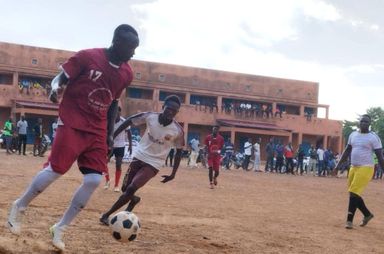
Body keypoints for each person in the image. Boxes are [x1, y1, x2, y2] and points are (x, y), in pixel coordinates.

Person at [6, 24, 139, 251]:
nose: (133, 53)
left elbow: (114, 102)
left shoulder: (127, 73)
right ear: (117, 42)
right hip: (72, 120)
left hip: (97, 128)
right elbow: (60, 78)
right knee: (56, 171)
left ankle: (60, 227)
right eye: (130, 48)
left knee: (94, 180)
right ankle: (19, 206)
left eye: (136, 48)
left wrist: (108, 134)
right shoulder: (87, 57)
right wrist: (54, 89)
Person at [99, 95, 184, 225]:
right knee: (125, 189)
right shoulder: (150, 117)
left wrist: (173, 174)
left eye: (174, 111)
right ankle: (134, 200)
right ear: (163, 107)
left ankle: (107, 215)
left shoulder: (177, 130)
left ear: (177, 113)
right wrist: (112, 137)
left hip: (154, 163)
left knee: (131, 188)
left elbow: (179, 152)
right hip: (139, 156)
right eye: (169, 109)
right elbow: (128, 121)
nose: (171, 112)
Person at [333, 114, 384, 229]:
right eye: (362, 121)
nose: (364, 123)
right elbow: (346, 151)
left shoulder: (373, 138)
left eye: (366, 122)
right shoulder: (353, 135)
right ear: (359, 123)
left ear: (369, 124)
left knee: (354, 192)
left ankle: (349, 221)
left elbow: (380, 157)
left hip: (366, 168)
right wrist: (338, 165)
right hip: (353, 167)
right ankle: (367, 215)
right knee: (353, 193)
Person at [104, 107, 132, 192]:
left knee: (118, 164)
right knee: (104, 163)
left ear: (120, 113)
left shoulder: (124, 122)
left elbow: (129, 133)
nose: (116, 114)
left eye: (118, 113)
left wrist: (130, 145)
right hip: (109, 145)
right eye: (114, 113)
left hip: (120, 146)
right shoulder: (109, 121)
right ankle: (107, 180)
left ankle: (116, 185)